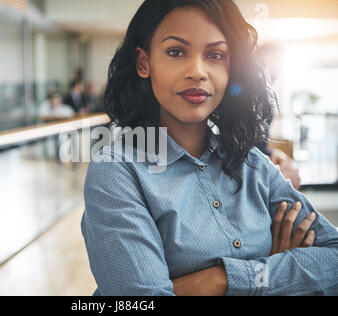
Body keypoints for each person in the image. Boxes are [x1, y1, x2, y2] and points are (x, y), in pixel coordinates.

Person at [81, 0, 338, 296]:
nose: (198, 72)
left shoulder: (252, 164)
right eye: (176, 52)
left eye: (215, 55)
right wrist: (274, 273)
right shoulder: (117, 171)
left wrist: (219, 280)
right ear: (144, 63)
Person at [257, 44, 301, 190]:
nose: (278, 67)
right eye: (274, 60)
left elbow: (260, 143)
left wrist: (273, 154)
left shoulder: (268, 97)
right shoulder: (249, 98)